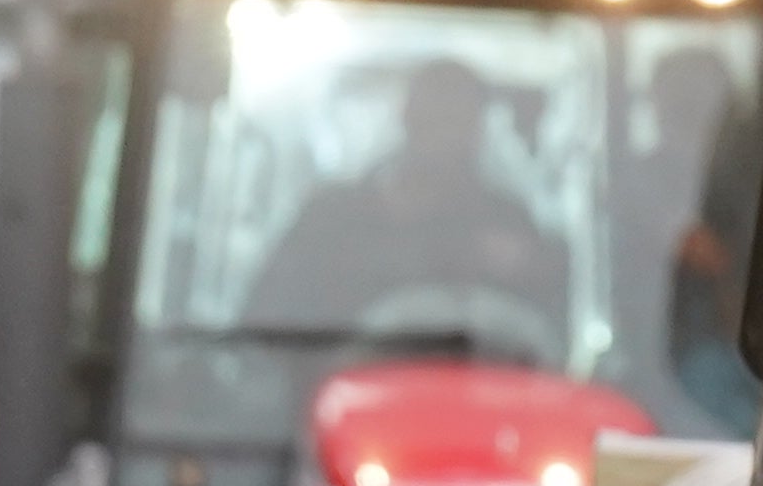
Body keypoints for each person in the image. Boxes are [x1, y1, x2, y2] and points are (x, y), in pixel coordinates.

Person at [241, 56, 571, 353]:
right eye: (435, 117)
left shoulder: (509, 224)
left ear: (478, 130)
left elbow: (550, 341)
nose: (446, 136)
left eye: (459, 120)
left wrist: (527, 269)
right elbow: (264, 324)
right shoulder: (330, 219)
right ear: (408, 118)